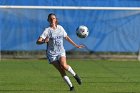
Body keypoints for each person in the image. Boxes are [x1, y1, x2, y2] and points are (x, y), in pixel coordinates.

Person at [36, 13, 84, 91]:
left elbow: (66, 37)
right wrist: (44, 41)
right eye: (50, 19)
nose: (52, 20)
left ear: (56, 19)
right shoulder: (47, 30)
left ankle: (76, 76)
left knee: (64, 65)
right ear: (48, 20)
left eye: (54, 18)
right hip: (51, 54)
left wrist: (76, 45)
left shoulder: (60, 28)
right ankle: (71, 87)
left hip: (61, 51)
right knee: (61, 70)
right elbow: (37, 42)